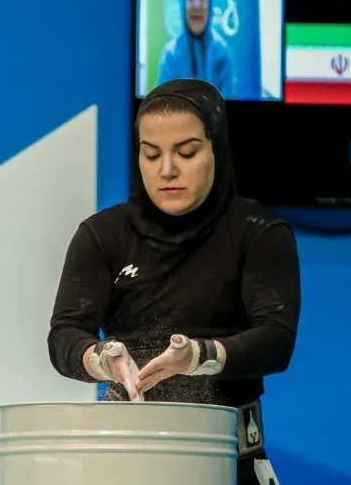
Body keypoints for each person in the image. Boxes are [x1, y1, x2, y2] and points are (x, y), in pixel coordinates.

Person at [48, 79, 300, 484]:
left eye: (186, 152)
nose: (167, 169)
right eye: (151, 154)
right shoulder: (102, 235)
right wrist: (101, 359)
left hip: (229, 461)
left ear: (216, 149)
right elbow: (64, 335)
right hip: (122, 461)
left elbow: (276, 340)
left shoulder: (258, 232)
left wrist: (199, 356)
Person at [156, 0, 237, 98]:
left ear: (210, 0)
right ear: (182, 1)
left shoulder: (222, 55)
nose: (197, 4)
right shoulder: (170, 57)